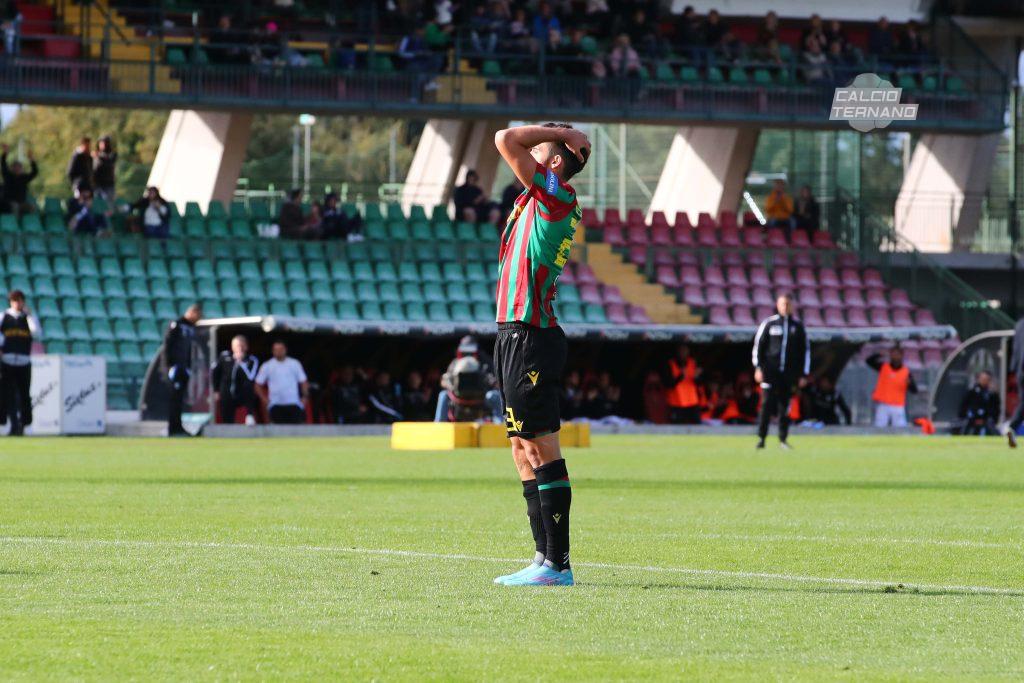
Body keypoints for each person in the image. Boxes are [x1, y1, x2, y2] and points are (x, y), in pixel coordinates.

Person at [490, 121, 589, 587]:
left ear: (553, 163)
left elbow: (506, 138)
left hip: (532, 334)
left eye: (544, 149)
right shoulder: (535, 197)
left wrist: (557, 128)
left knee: (541, 446)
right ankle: (541, 557)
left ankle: (559, 565)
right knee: (519, 449)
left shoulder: (555, 193)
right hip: (512, 334)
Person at [752, 293, 810, 449]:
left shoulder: (798, 327)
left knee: (785, 407)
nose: (785, 307)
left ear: (792, 306)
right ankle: (761, 438)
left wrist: (803, 374)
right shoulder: (769, 324)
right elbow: (759, 347)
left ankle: (783, 440)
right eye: (783, 304)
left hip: (788, 375)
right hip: (770, 373)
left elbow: (805, 352)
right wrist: (758, 367)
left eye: (788, 304)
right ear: (778, 305)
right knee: (766, 405)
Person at [434, 335, 503, 422]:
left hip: (481, 399)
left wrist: (490, 382)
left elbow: (496, 381)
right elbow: (444, 381)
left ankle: (500, 426)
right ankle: (439, 426)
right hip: (458, 400)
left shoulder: (485, 362)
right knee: (443, 395)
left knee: (494, 395)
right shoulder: (455, 363)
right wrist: (450, 385)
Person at [0, 290, 40, 436]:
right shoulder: (4, 316)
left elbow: (36, 332)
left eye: (20, 300)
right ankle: (8, 424)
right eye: (15, 300)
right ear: (11, 301)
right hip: (7, 361)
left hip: (24, 361)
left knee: (24, 394)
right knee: (6, 394)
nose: (18, 303)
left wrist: (29, 316)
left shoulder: (27, 318)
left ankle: (26, 424)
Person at [163, 303, 202, 437]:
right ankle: (172, 428)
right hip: (175, 368)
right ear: (192, 312)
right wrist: (169, 366)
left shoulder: (191, 328)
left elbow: (189, 350)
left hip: (184, 368)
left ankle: (178, 427)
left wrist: (189, 367)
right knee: (174, 399)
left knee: (180, 400)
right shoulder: (177, 324)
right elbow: (168, 344)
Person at [255, 340, 309, 424]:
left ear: (285, 350)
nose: (279, 351)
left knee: (297, 430)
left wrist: (305, 397)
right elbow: (257, 385)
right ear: (273, 351)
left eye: (281, 349)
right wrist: (265, 400)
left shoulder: (294, 363)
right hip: (275, 404)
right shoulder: (267, 365)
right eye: (276, 349)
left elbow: (303, 382)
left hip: (294, 404)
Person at [210, 335, 260, 425]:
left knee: (249, 389)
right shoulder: (224, 356)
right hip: (226, 392)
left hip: (242, 393)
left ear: (246, 347)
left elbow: (250, 376)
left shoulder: (251, 360)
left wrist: (241, 362)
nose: (239, 348)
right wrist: (216, 390)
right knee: (226, 417)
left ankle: (250, 416)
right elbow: (215, 372)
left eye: (241, 346)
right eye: (237, 346)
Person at [866, 345, 917, 428]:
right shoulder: (883, 367)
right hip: (883, 404)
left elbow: (914, 390)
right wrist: (880, 354)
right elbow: (868, 361)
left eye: (897, 354)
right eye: (893, 354)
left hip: (897, 406)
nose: (895, 356)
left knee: (900, 429)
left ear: (901, 355)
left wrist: (910, 384)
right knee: (879, 428)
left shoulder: (906, 372)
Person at [665, 343, 702, 424]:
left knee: (698, 428)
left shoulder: (693, 363)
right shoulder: (670, 364)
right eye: (681, 350)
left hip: (692, 402)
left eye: (685, 350)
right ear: (677, 351)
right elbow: (668, 385)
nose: (683, 353)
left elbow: (700, 383)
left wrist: (697, 377)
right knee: (677, 429)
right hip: (676, 403)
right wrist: (680, 377)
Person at [1001, 315, 1024, 447]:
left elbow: (1016, 348)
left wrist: (1013, 368)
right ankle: (1012, 427)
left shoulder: (1020, 323)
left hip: (1020, 370)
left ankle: (1012, 427)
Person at [1, 144, 38, 216]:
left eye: (19, 167)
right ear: (12, 168)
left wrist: (32, 160)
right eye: (15, 167)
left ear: (22, 169)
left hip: (21, 203)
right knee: (15, 206)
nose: (17, 169)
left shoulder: (24, 178)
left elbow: (34, 172)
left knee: (31, 208)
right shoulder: (8, 176)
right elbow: (3, 164)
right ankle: (14, 223)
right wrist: (5, 153)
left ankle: (26, 224)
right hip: (8, 203)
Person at [958, 371, 999, 436]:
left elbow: (995, 409)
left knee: (993, 431)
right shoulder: (971, 392)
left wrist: (988, 418)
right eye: (983, 379)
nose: (984, 381)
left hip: (986, 420)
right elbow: (965, 406)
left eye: (986, 379)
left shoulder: (992, 394)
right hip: (972, 419)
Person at [92, 136, 117, 202]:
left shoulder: (112, 155)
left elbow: (108, 161)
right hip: (97, 184)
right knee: (97, 203)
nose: (103, 145)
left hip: (108, 184)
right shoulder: (96, 155)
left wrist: (98, 156)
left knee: (109, 203)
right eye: (101, 143)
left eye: (105, 143)